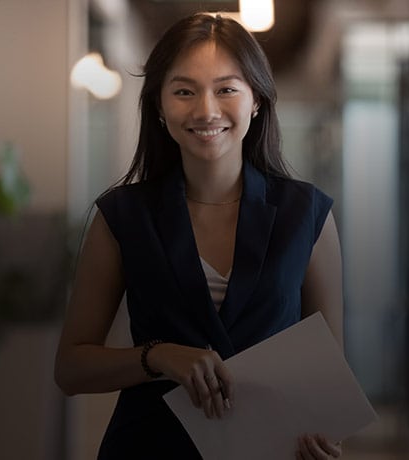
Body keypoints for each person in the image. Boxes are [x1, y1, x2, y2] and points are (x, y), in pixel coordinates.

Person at [54, 12, 344, 460]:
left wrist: (326, 441)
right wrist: (159, 357)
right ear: (158, 105)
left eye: (226, 89)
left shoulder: (306, 215)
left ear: (257, 101)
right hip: (149, 449)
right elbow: (71, 369)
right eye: (184, 91)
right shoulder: (121, 216)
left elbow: (328, 374)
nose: (206, 110)